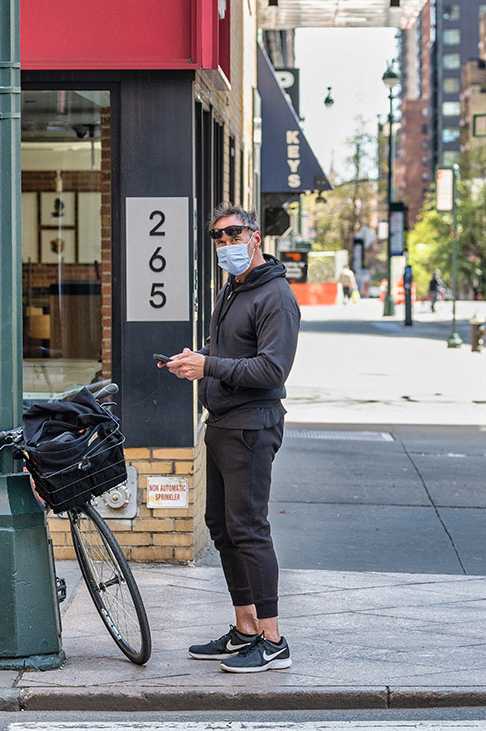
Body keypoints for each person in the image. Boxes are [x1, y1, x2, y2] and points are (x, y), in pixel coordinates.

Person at [163, 204, 300, 673]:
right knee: (221, 527)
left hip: (251, 426)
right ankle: (245, 629)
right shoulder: (233, 290)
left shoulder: (276, 296)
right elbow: (227, 354)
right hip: (222, 423)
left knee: (249, 529)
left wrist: (211, 366)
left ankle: (274, 639)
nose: (225, 244)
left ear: (256, 237)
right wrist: (196, 359)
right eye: (218, 238)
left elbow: (271, 368)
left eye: (233, 234)